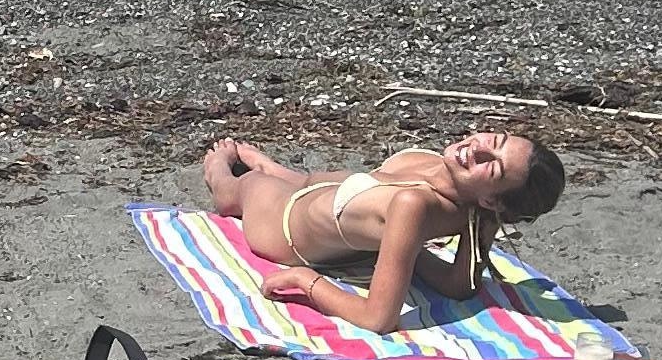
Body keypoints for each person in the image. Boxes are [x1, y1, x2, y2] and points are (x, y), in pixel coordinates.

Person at [201, 124, 565, 338]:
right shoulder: (454, 180)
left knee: (243, 186)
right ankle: (275, 169)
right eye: (496, 140)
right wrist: (483, 223)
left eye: (494, 169)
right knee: (308, 181)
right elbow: (460, 285)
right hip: (325, 198)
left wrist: (306, 280)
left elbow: (378, 319)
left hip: (284, 227)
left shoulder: (417, 207)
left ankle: (227, 174)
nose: (480, 149)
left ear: (492, 201)